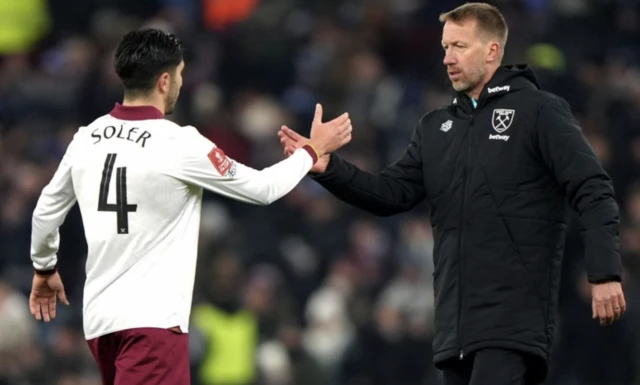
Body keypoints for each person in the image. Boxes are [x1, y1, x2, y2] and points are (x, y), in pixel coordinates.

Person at [278, 3, 626, 385]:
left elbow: (592, 187)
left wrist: (605, 272)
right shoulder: (435, 128)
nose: (447, 58)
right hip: (453, 330)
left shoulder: (538, 111)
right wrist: (329, 167)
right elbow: (389, 194)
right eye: (445, 47)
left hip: (512, 324)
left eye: (459, 46)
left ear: (493, 50)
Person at [28, 28, 352, 385]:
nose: (182, 83)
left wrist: (44, 269)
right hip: (152, 325)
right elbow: (263, 188)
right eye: (181, 74)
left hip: (100, 325)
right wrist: (312, 151)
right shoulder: (179, 143)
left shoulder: (86, 137)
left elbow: (46, 211)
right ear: (164, 80)